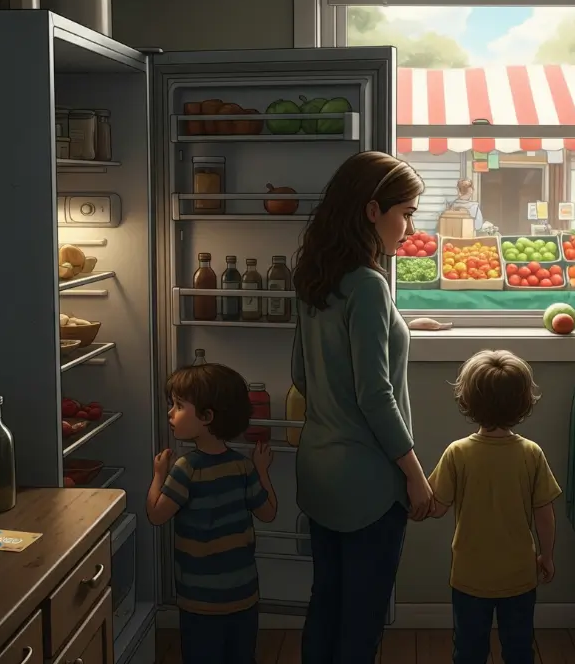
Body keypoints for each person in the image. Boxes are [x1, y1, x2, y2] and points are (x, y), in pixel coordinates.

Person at [290, 150, 431, 663]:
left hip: (319, 470)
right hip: (368, 483)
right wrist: (413, 473)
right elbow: (376, 395)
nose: (409, 227)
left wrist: (400, 333)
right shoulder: (370, 286)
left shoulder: (315, 276)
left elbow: (302, 374)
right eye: (406, 213)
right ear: (373, 211)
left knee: (325, 605)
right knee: (363, 622)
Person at [428, 350, 563, 664]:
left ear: (468, 401)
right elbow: (545, 514)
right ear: (524, 402)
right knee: (518, 650)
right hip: (519, 576)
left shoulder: (457, 453)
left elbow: (436, 507)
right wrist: (547, 555)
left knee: (469, 651)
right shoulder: (531, 453)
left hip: (469, 576)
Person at [146, 363, 278, 664]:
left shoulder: (186, 469)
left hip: (199, 599)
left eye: (179, 406)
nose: (171, 413)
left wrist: (158, 474)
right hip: (243, 594)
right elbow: (268, 512)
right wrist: (262, 470)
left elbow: (156, 514)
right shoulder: (242, 466)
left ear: (206, 417)